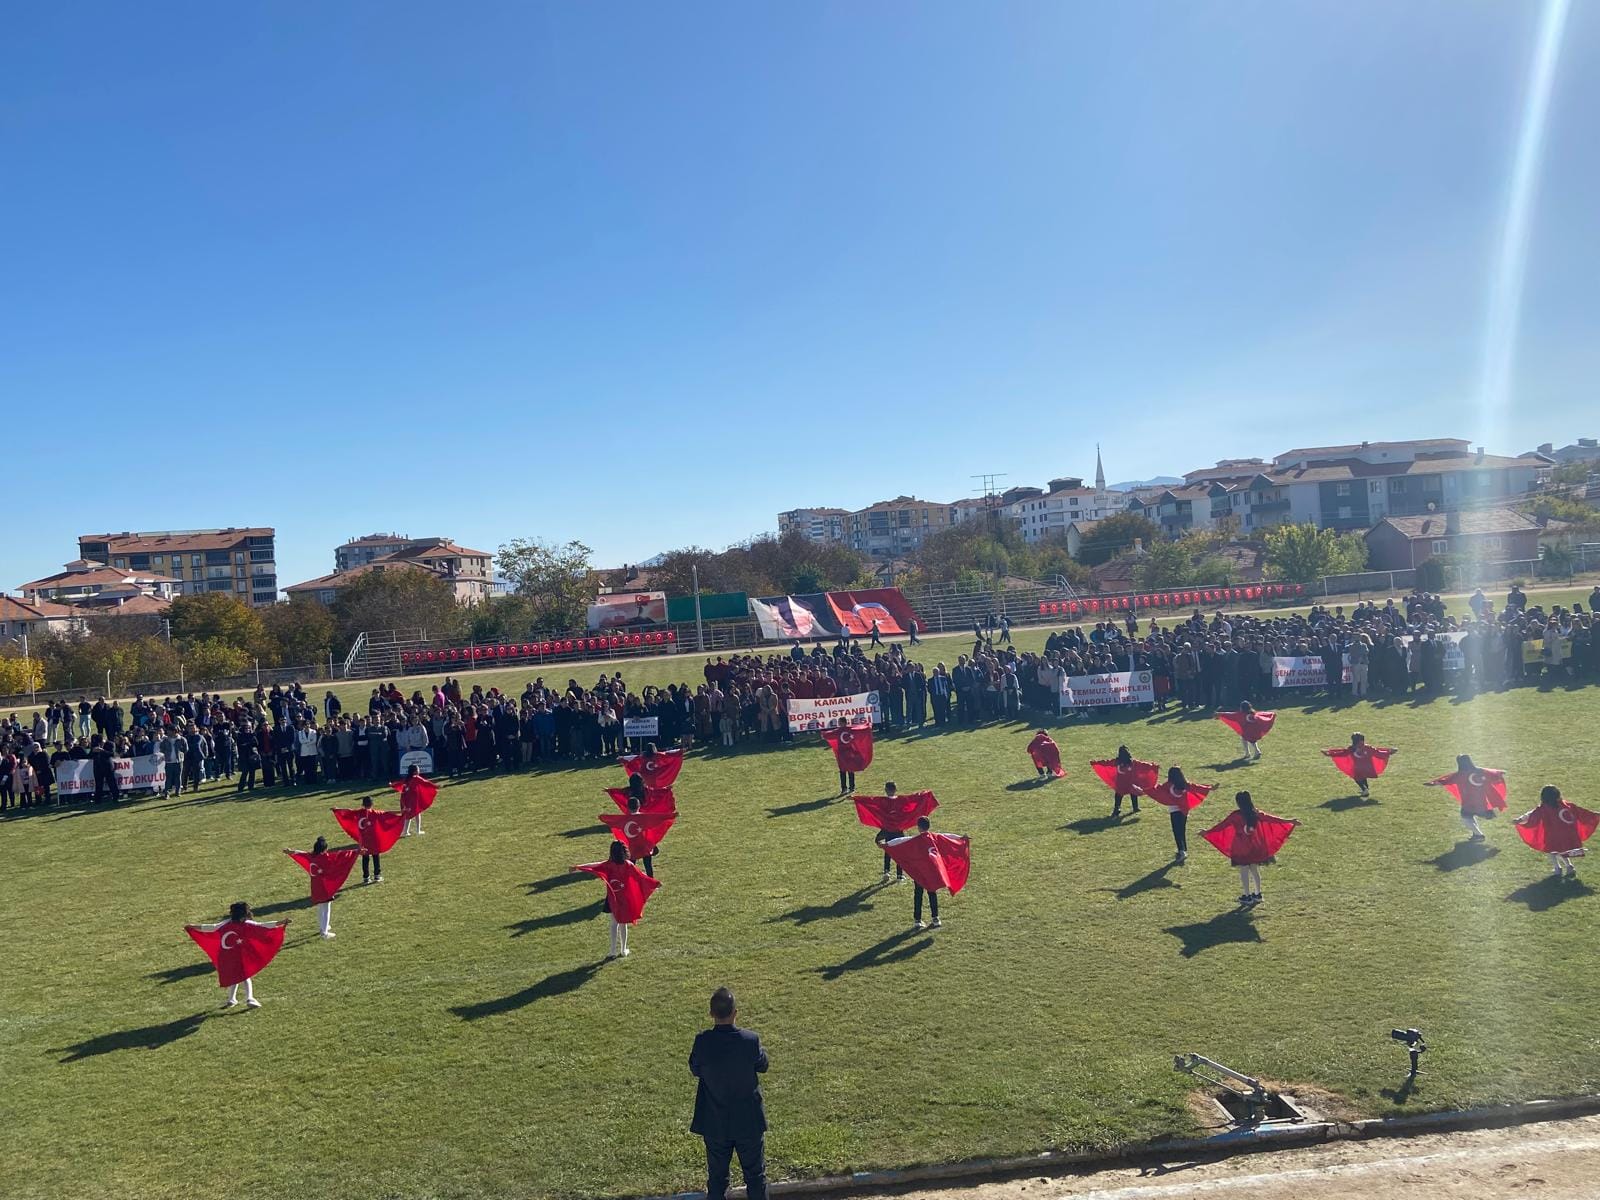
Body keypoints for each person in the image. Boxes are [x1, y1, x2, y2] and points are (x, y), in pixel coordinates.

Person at [689, 986, 769, 1200]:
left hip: (715, 1122)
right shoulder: (750, 1040)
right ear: (735, 1013)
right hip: (748, 1121)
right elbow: (763, 1065)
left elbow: (695, 1069)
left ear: (711, 1014)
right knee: (755, 1177)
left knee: (716, 1180)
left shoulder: (702, 1042)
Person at [184, 901, 290, 1009]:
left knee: (235, 976)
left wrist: (193, 926)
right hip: (239, 955)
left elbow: (212, 927)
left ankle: (232, 999)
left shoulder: (226, 923)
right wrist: (281, 922)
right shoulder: (247, 924)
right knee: (245, 976)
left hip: (225, 956)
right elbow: (262, 925)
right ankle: (250, 998)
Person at [1200, 791, 1299, 906]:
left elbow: (1222, 826)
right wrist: (1290, 821)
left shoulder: (1235, 815)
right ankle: (1258, 894)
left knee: (1244, 871)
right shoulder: (1255, 813)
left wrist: (1207, 832)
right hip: (1255, 846)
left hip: (1240, 847)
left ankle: (1247, 896)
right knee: (1254, 869)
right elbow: (1272, 819)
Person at [575, 839, 661, 959]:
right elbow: (642, 877)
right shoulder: (628, 865)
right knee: (622, 924)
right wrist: (655, 883)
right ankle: (623, 949)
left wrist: (578, 867)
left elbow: (595, 865)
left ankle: (612, 950)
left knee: (614, 924)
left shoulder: (609, 864)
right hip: (624, 899)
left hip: (612, 898)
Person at [882, 815, 971, 930]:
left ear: (918, 827)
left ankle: (917, 920)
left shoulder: (915, 839)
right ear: (928, 826)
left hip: (919, 872)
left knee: (918, 894)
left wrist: (887, 844)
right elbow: (947, 836)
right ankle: (935, 918)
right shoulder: (934, 837)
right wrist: (960, 838)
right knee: (932, 893)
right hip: (931, 872)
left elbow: (901, 840)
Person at [1513, 785, 1600, 879]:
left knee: (1552, 851)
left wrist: (1520, 819)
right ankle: (1569, 866)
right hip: (1567, 833)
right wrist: (1594, 814)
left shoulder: (1544, 808)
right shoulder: (1566, 805)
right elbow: (1581, 812)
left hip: (1552, 834)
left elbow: (1531, 814)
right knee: (1563, 850)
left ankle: (1557, 868)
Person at [284, 836, 360, 938]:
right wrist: (357, 851)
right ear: (324, 849)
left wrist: (291, 852)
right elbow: (341, 856)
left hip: (315, 887)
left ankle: (323, 927)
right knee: (326, 908)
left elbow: (301, 853)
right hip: (324, 888)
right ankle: (324, 932)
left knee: (320, 908)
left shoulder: (311, 856)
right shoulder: (325, 858)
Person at [1425, 755, 1508, 842]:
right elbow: (1491, 773)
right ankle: (1479, 829)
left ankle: (1478, 835)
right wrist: (1499, 773)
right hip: (1481, 801)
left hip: (1468, 802)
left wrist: (1433, 783)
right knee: (1469, 815)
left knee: (1466, 817)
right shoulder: (1480, 771)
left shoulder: (1459, 775)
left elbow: (1446, 780)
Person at [1148, 766, 1212, 865]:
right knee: (1182, 830)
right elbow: (1197, 787)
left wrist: (1145, 788)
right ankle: (1184, 849)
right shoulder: (1185, 784)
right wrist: (1210, 788)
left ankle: (1181, 851)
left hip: (1174, 811)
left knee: (1176, 831)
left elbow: (1156, 789)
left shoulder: (1168, 785)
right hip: (1184, 810)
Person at [1089, 745, 1158, 818]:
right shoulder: (1133, 762)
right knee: (1133, 793)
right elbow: (1143, 765)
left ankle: (1116, 809)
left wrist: (1096, 763)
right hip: (1131, 783)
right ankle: (1135, 807)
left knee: (1118, 797)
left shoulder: (1117, 762)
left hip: (1120, 784)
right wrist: (1153, 766)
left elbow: (1106, 763)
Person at [1322, 732, 1396, 798]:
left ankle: (1364, 789)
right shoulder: (1368, 748)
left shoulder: (1352, 749)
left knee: (1357, 778)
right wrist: (1390, 752)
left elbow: (1342, 753)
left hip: (1358, 767)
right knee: (1363, 776)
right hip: (1368, 767)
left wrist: (1329, 753)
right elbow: (1378, 753)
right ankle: (1366, 789)